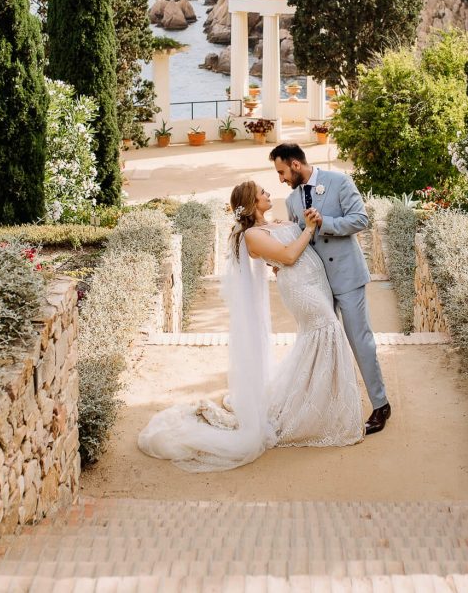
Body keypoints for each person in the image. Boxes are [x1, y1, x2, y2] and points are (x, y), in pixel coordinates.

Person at [137, 179, 363, 472]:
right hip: (301, 291)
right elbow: (288, 256)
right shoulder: (252, 236)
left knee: (319, 338)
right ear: (252, 202)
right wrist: (307, 229)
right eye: (262, 193)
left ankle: (315, 402)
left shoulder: (273, 224)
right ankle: (310, 412)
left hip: (315, 283)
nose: (268, 194)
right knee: (327, 333)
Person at [270, 142, 391, 435]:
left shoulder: (339, 182)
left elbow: (360, 219)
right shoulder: (292, 200)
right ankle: (330, 409)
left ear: (295, 164)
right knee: (323, 345)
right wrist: (281, 258)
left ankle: (380, 404)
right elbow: (299, 238)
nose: (281, 179)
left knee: (359, 340)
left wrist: (325, 222)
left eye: (282, 172)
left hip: (347, 276)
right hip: (316, 283)